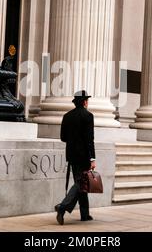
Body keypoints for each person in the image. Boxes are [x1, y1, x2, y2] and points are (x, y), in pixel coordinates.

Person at [55, 90, 96, 225]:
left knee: (81, 183)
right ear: (84, 102)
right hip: (84, 156)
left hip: (72, 155)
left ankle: (85, 214)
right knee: (81, 184)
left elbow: (63, 138)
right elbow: (90, 139)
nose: (87, 103)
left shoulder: (67, 116)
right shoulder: (88, 116)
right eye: (87, 100)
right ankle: (63, 206)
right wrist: (92, 159)